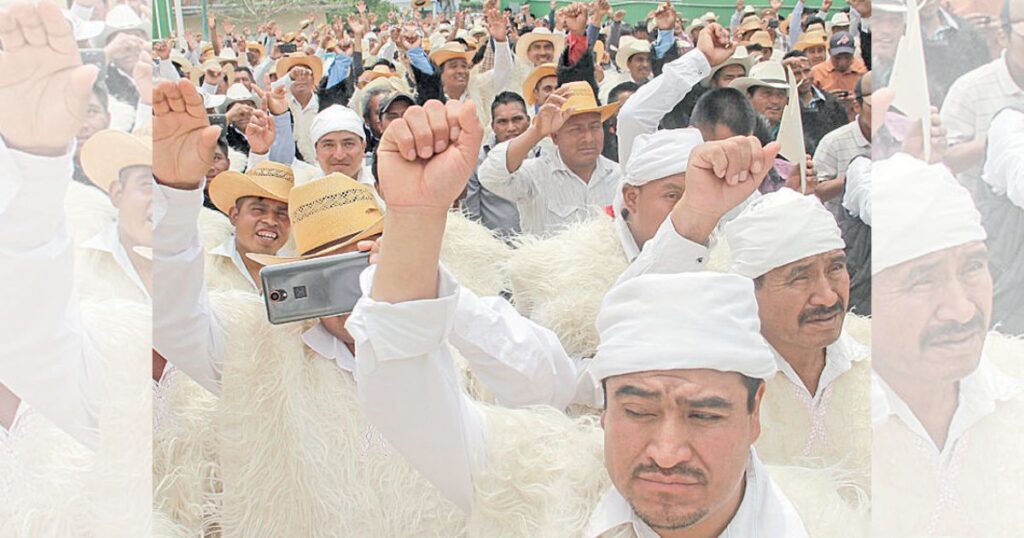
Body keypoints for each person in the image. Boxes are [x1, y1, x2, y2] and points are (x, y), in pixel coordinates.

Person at [351, 102, 859, 535]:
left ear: (754, 415)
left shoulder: (826, 522)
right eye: (638, 411)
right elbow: (404, 389)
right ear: (602, 411)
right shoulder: (541, 493)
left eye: (703, 414)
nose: (666, 451)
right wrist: (415, 219)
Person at [152, 80, 578, 534]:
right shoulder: (263, 349)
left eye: (361, 260)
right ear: (304, 277)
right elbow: (174, 319)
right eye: (331, 269)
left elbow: (550, 388)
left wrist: (420, 290)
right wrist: (176, 193)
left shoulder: (451, 312)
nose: (353, 286)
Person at [872, 153, 1024, 535]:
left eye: (973, 267)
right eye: (922, 280)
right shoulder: (839, 427)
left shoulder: (1015, 394)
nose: (960, 309)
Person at [477, 82, 622, 236]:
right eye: (576, 129)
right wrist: (536, 132)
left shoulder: (620, 176)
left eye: (595, 127)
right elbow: (490, 176)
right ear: (554, 137)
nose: (588, 138)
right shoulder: (535, 175)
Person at [941, 0, 1024, 179]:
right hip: (977, 204)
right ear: (1003, 37)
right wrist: (998, 140)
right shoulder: (970, 88)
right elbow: (942, 159)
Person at [205, 161, 293, 293]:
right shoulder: (205, 268)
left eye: (282, 213)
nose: (270, 220)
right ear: (234, 215)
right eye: (258, 210)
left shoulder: (298, 275)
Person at [464, 92, 531, 236]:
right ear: (493, 126)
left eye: (517, 119)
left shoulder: (542, 157)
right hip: (496, 251)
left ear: (528, 121)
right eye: (503, 122)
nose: (511, 127)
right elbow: (471, 219)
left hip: (541, 250)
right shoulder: (477, 161)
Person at [813, 71, 872, 215]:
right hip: (843, 230)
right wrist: (853, 178)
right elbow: (815, 192)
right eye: (875, 107)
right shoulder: (833, 142)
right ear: (857, 106)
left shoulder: (900, 136)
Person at [783, 50, 849, 150]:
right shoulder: (784, 106)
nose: (804, 78)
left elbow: (843, 137)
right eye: (796, 74)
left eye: (806, 71)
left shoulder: (832, 103)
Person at [730, 61, 790, 134]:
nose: (775, 101)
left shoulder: (795, 131)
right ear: (749, 97)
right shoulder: (735, 130)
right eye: (767, 94)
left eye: (780, 94)